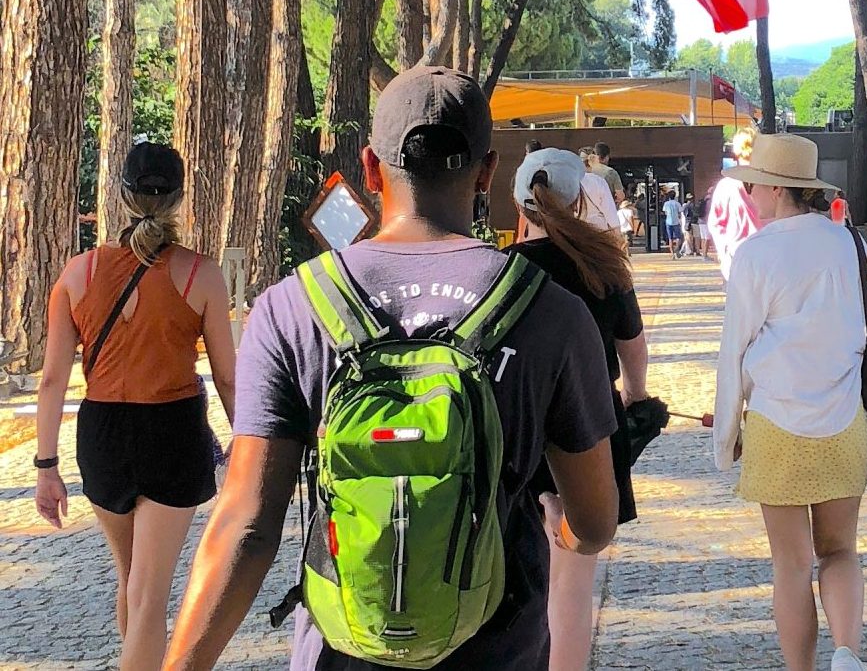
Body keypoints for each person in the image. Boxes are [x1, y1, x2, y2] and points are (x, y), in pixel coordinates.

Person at [162, 67, 621, 671]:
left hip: (340, 651)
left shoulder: (293, 307)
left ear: (371, 170)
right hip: (498, 652)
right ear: (487, 173)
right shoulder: (551, 314)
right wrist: (561, 538)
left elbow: (247, 526)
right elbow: (594, 520)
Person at [34, 142, 235, 671]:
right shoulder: (201, 275)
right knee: (149, 598)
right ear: (179, 199)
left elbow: (53, 380)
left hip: (100, 433)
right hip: (171, 431)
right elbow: (228, 379)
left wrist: (46, 468)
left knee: (131, 582)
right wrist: (248, 449)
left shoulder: (76, 274)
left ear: (122, 197)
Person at [713, 134, 867, 671]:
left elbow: (733, 350)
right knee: (841, 550)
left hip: (778, 421)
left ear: (777, 190)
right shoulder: (843, 241)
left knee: (791, 563)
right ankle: (847, 651)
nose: (750, 192)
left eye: (754, 183)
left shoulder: (756, 254)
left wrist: (725, 441)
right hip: (845, 417)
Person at [514, 149, 649, 671]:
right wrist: (636, 396)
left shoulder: (500, 272)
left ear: (518, 202)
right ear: (579, 198)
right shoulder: (605, 267)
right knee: (571, 584)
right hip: (590, 430)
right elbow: (632, 354)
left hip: (514, 435)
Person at [708, 129, 763, 280]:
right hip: (768, 253)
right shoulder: (770, 184)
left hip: (736, 255)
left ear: (736, 151)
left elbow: (715, 224)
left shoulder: (725, 186)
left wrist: (724, 249)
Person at [662, 189, 685, 256]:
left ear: (669, 197)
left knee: (670, 238)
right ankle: (677, 248)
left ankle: (672, 254)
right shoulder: (677, 203)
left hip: (668, 222)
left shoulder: (666, 204)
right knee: (679, 237)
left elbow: (665, 212)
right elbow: (680, 211)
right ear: (674, 196)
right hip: (676, 221)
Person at [681, 192, 699, 258]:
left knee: (688, 238)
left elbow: (684, 214)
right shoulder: (695, 205)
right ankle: (697, 251)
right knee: (697, 237)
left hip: (687, 223)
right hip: (695, 222)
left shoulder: (685, 206)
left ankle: (690, 251)